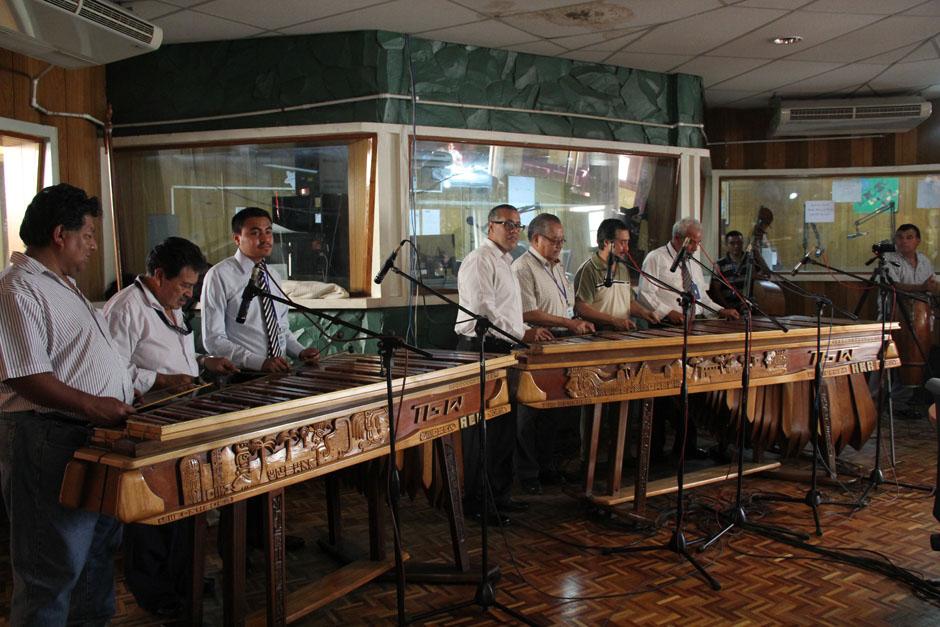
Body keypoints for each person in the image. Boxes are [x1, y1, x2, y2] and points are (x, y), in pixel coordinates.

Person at [0, 183, 136, 625]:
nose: (95, 245)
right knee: (50, 569)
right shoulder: (17, 289)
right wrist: (93, 405)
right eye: (89, 234)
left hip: (87, 434)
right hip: (47, 437)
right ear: (61, 234)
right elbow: (27, 376)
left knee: (96, 558)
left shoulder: (63, 285)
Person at [103, 237, 238, 618]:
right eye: (184, 286)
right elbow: (113, 370)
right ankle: (155, 593)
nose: (189, 294)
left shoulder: (169, 306)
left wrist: (203, 361)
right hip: (147, 425)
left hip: (182, 420)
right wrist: (160, 382)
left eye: (192, 286)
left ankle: (184, 580)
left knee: (184, 508)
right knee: (153, 515)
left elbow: (172, 352)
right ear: (159, 275)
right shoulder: (125, 309)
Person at [455, 204, 553, 524]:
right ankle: (478, 503)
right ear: (489, 227)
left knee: (502, 431)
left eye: (517, 225)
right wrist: (523, 332)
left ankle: (499, 496)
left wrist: (520, 334)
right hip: (482, 349)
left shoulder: (507, 261)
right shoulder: (479, 260)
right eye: (506, 224)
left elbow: (508, 312)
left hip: (505, 349)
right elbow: (484, 314)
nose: (513, 230)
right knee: (484, 433)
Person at [512, 213, 594, 493]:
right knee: (530, 413)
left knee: (553, 412)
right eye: (554, 240)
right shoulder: (522, 268)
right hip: (535, 343)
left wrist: (574, 322)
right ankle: (527, 474)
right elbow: (527, 311)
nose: (560, 245)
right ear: (536, 239)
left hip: (562, 342)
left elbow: (565, 305)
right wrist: (568, 322)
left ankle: (548, 468)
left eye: (562, 240)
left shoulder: (557, 267)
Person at [201, 206, 320, 371]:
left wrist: (300, 351)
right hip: (242, 376)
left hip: (278, 373)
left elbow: (281, 329)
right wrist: (259, 362)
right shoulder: (219, 275)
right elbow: (214, 340)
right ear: (237, 238)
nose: (265, 239)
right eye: (255, 233)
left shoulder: (272, 275)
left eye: (268, 232)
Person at [636, 218, 741, 324]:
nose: (695, 248)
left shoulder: (694, 262)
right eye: (691, 242)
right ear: (676, 238)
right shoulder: (656, 258)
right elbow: (645, 294)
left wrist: (720, 310)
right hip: (667, 323)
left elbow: (701, 297)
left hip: (696, 321)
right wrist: (668, 312)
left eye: (698, 243)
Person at [574, 217, 659, 331]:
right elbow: (581, 308)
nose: (626, 248)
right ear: (606, 242)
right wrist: (614, 320)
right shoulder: (589, 269)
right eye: (622, 242)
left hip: (623, 333)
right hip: (598, 335)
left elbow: (628, 302)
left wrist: (644, 313)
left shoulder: (623, 268)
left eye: (627, 242)